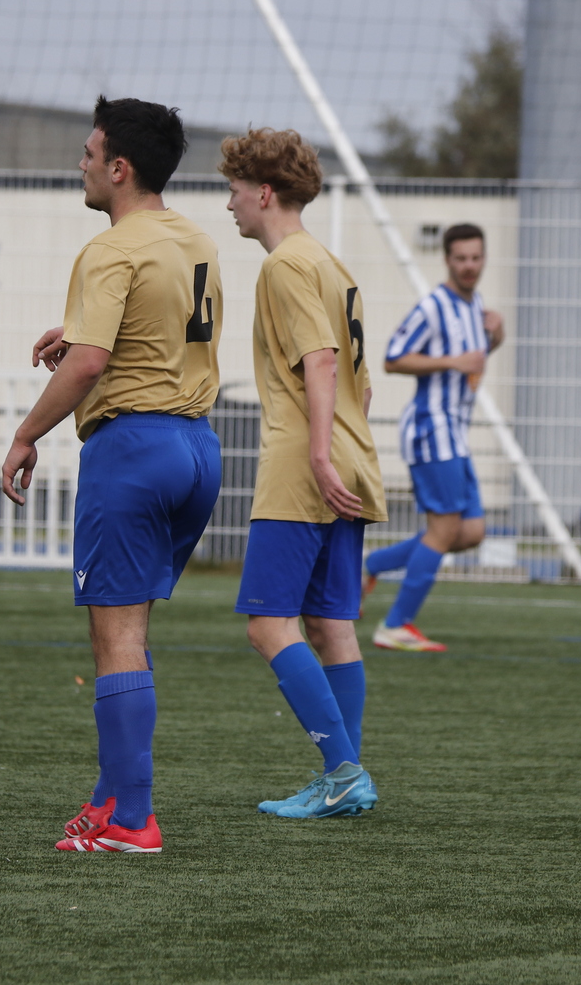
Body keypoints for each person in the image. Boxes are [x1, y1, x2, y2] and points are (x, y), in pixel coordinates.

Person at [2, 96, 222, 854]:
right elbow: (154, 327)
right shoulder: (193, 238)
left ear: (120, 168)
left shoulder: (110, 248)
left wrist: (26, 435)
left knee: (117, 634)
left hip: (133, 449)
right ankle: (111, 799)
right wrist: (81, 330)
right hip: (197, 448)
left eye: (90, 153)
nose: (83, 163)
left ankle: (133, 821)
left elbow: (91, 364)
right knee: (129, 629)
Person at [221, 127, 384, 820]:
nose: (229, 203)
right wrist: (340, 447)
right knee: (330, 622)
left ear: (263, 193)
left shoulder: (285, 264)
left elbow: (320, 361)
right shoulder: (332, 264)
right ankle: (345, 777)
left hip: (304, 461)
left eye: (234, 190)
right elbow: (361, 386)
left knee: (268, 625)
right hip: (353, 454)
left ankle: (341, 771)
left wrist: (315, 454)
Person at [362, 223, 505, 650]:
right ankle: (395, 625)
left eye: (476, 258)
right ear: (447, 260)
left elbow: (473, 360)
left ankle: (372, 564)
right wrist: (451, 361)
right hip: (431, 429)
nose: (469, 266)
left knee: (471, 531)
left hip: (455, 433)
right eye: (461, 258)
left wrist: (497, 336)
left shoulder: (475, 305)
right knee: (442, 530)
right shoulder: (433, 307)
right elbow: (393, 358)